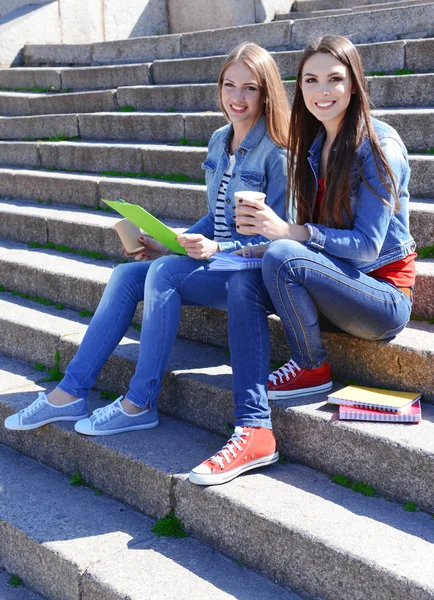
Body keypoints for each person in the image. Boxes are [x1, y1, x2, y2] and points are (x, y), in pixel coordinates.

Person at [5, 42, 291, 486]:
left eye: (250, 88)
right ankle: (69, 392)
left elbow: (272, 235)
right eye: (229, 85)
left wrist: (211, 250)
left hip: (249, 272)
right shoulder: (220, 140)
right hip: (216, 259)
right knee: (126, 273)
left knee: (163, 274)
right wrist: (169, 240)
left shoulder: (276, 152)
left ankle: (140, 402)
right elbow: (214, 219)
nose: (238, 96)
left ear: (267, 93)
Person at [231, 34, 415, 404]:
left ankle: (311, 366)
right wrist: (265, 245)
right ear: (300, 87)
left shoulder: (379, 147)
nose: (322, 90)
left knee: (283, 254)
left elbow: (365, 249)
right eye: (310, 80)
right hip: (335, 286)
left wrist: (290, 233)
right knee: (245, 275)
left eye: (334, 78)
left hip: (380, 299)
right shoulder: (313, 144)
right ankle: (250, 392)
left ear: (354, 83)